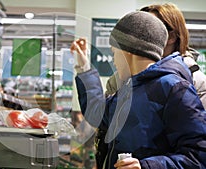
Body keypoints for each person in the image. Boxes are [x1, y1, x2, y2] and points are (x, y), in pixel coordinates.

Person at [71, 11, 206, 169]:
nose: (114, 61)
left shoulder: (174, 89)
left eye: (114, 52)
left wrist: (147, 166)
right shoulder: (130, 88)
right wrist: (84, 67)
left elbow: (198, 156)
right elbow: (97, 113)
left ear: (127, 49)